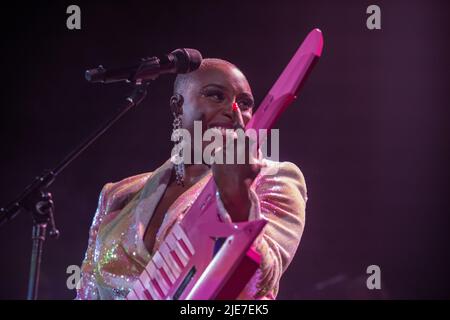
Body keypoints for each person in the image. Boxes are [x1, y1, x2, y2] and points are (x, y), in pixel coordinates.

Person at [76, 58, 308, 300]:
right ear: (178, 106)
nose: (233, 110)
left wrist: (237, 198)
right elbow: (85, 292)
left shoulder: (272, 178)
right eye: (216, 96)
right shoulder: (118, 194)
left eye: (245, 103)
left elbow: (261, 282)